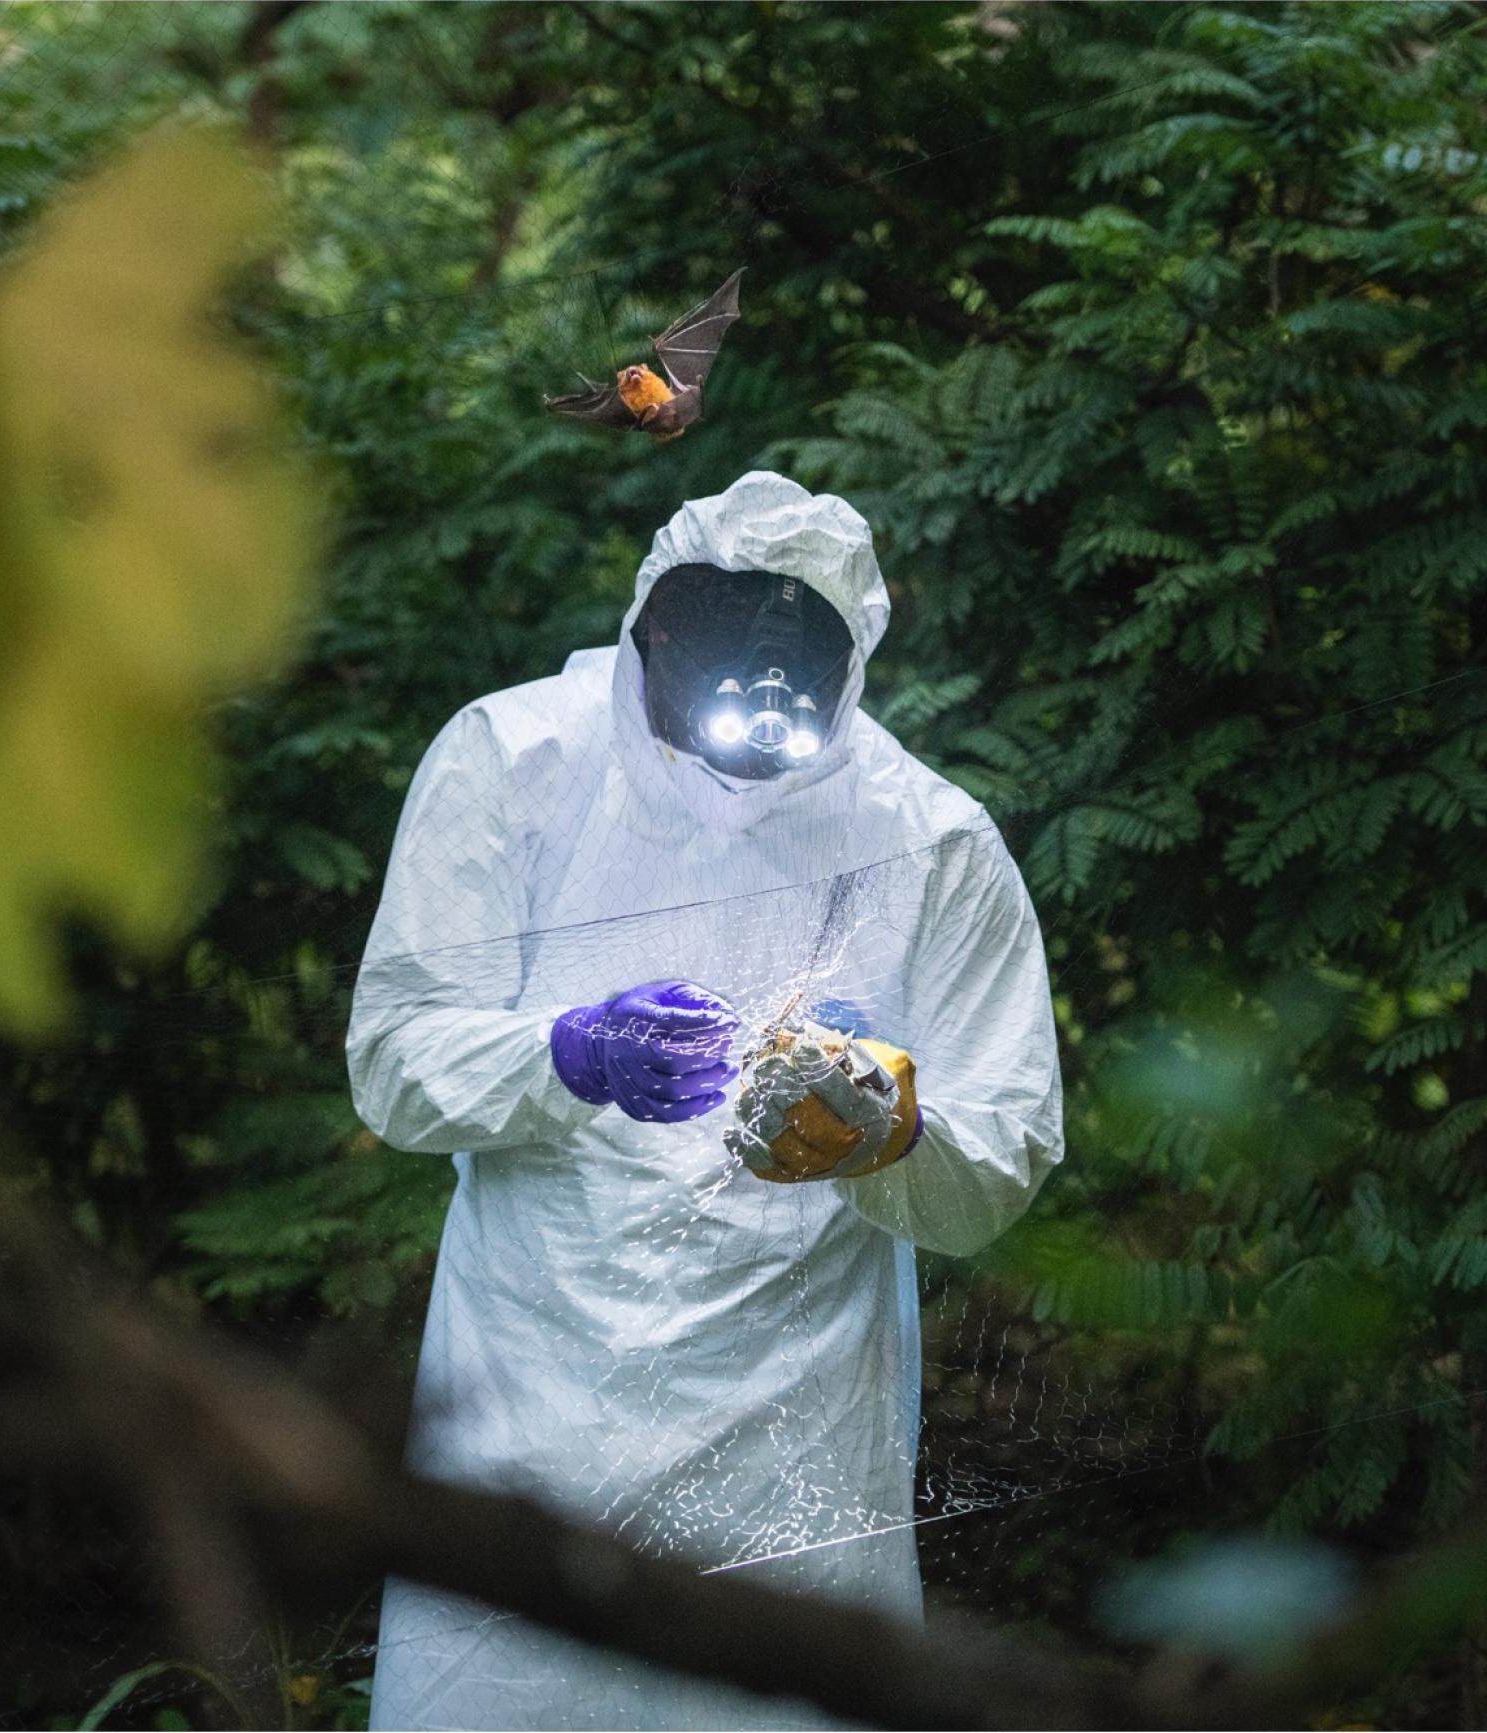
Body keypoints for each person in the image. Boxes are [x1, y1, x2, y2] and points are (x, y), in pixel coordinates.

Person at [346, 471, 1064, 1730]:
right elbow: (394, 1060)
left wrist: (887, 1130)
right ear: (652, 629)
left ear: (848, 669)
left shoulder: (929, 839)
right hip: (534, 1398)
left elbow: (998, 1160)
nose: (755, 709)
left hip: (792, 1439)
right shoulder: (516, 760)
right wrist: (565, 1056)